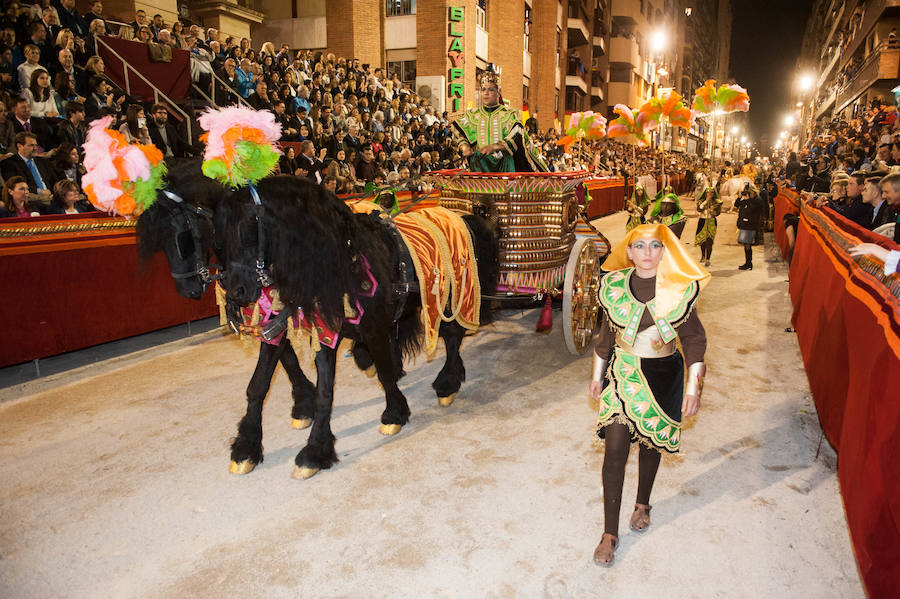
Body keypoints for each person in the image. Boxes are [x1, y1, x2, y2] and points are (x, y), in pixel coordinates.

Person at [589, 223, 709, 567]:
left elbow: (695, 340)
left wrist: (693, 388)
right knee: (614, 450)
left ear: (664, 251)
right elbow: (606, 335)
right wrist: (597, 376)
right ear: (628, 251)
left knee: (650, 443)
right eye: (639, 245)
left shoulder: (679, 288)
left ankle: (643, 503)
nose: (646, 252)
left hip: (663, 376)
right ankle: (609, 534)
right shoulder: (613, 285)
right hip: (622, 372)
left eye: (654, 245)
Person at [451, 65, 547, 172]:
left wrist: (495, 147)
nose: (486, 93)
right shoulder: (473, 115)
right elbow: (458, 133)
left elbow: (517, 136)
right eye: (483, 89)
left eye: (491, 89)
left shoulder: (509, 114)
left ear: (498, 92)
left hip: (504, 168)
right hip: (480, 168)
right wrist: (465, 147)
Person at [735, 183, 764, 270]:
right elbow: (736, 204)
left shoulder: (757, 200)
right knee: (745, 244)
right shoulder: (748, 200)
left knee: (748, 244)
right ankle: (747, 263)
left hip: (751, 225)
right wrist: (740, 197)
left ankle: (749, 263)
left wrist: (748, 200)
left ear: (753, 191)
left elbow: (753, 209)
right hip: (744, 224)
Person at [695, 186, 722, 267]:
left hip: (711, 221)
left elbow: (718, 212)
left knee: (709, 241)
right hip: (702, 221)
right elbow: (699, 209)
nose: (710, 194)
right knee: (702, 240)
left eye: (711, 193)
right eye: (708, 193)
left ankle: (708, 259)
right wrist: (706, 201)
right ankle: (703, 255)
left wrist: (712, 211)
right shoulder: (701, 201)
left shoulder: (717, 202)